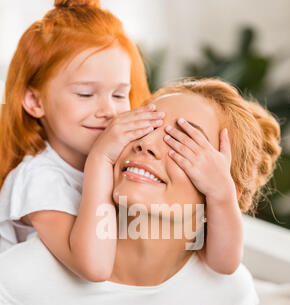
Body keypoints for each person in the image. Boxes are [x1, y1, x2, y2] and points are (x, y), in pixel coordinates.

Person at [0, 79, 281, 305]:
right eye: (143, 126)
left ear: (223, 188)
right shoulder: (22, 276)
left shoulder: (227, 294)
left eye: (180, 141)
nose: (147, 143)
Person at [0, 1, 258, 280]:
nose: (108, 110)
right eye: (86, 94)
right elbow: (96, 268)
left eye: (120, 95)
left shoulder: (129, 160)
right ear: (34, 101)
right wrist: (101, 159)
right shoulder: (38, 179)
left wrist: (221, 194)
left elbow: (223, 264)